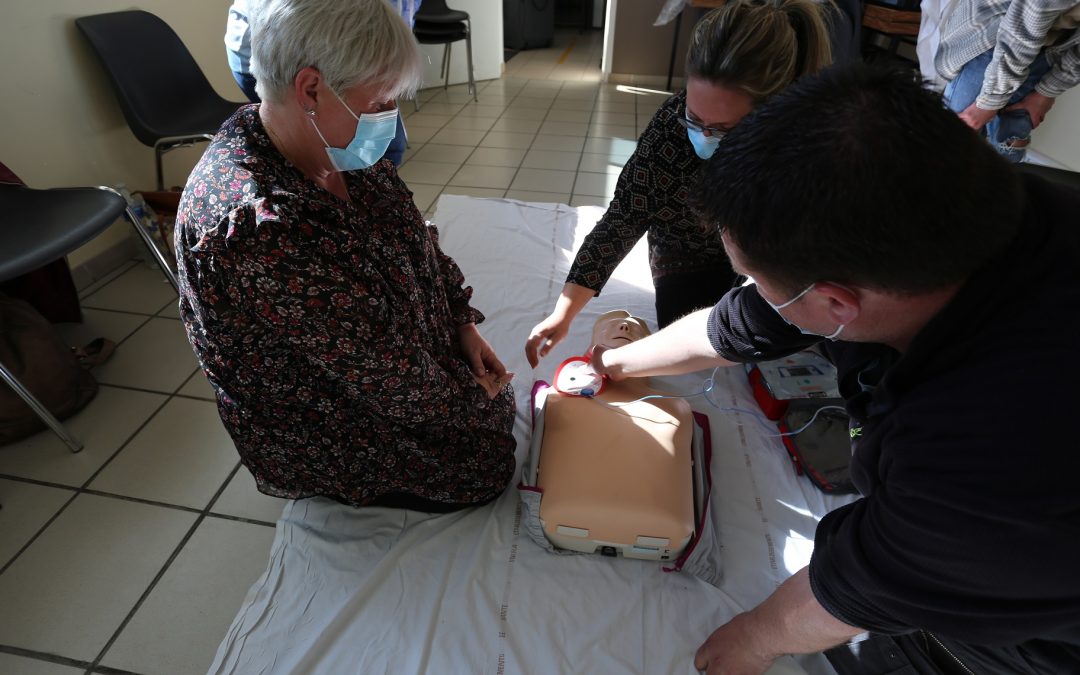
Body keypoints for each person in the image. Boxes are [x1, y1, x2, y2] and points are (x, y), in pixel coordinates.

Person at [591, 64, 1080, 674]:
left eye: (758, 282)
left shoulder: (981, 455)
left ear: (838, 303)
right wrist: (616, 361)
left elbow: (870, 580)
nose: (752, 293)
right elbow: (738, 325)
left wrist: (754, 638)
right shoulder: (980, 203)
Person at [179, 0, 515, 512]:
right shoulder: (260, 229)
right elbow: (386, 377)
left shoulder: (331, 144)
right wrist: (470, 399)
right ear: (310, 89)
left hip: (380, 359)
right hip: (321, 411)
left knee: (491, 422)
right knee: (481, 469)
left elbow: (414, 236)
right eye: (380, 102)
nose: (388, 119)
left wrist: (460, 321)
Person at [524, 0, 833, 368]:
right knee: (685, 330)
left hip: (770, 251)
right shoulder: (670, 131)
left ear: (774, 114)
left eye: (724, 130)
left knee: (800, 328)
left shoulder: (808, 145)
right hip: (689, 248)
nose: (703, 135)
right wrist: (565, 312)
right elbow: (623, 218)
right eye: (694, 116)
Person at [224, 0, 418, 165]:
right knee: (319, 150)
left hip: (351, 60)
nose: (392, 113)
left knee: (380, 150)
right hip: (282, 55)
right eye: (380, 104)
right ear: (311, 91)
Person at [936, 0, 1080, 163]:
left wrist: (1047, 92)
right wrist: (989, 102)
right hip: (994, 33)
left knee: (1010, 149)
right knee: (953, 144)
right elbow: (1021, 29)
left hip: (1052, 45)